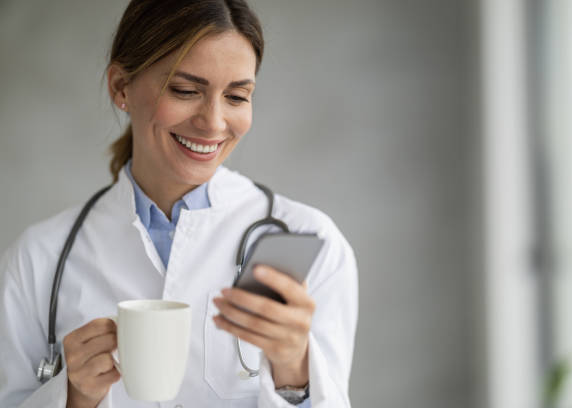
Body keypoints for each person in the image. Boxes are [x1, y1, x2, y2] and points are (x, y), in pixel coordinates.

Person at [0, 0, 358, 407]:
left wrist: (294, 371)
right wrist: (74, 397)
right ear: (121, 87)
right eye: (185, 91)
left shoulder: (310, 241)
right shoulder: (39, 258)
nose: (214, 122)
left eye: (237, 96)